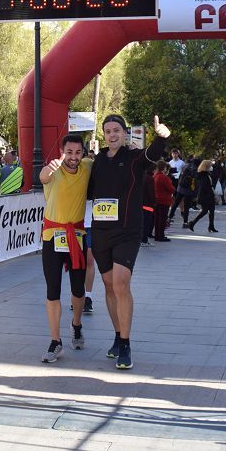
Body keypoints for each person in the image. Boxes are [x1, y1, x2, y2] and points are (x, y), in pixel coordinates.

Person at [89, 114, 170, 370]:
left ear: (125, 134)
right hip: (101, 231)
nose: (112, 135)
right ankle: (116, 334)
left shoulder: (134, 158)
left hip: (127, 231)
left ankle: (125, 343)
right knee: (108, 285)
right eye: (108, 131)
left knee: (121, 283)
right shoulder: (97, 161)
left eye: (116, 130)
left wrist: (162, 137)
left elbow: (153, 154)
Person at [39, 134, 92, 362]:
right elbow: (42, 177)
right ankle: (55, 341)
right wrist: (50, 168)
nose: (73, 157)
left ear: (83, 153)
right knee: (53, 289)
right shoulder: (53, 170)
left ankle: (76, 324)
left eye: (77, 152)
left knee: (78, 289)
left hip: (77, 236)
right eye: (69, 152)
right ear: (62, 152)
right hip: (52, 236)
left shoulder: (88, 167)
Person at [187, 159, 217, 233]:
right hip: (206, 196)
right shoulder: (203, 175)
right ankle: (192, 223)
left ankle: (211, 226)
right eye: (210, 165)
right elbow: (205, 187)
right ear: (206, 166)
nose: (211, 167)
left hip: (208, 195)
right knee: (205, 211)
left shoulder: (206, 174)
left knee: (212, 211)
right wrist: (212, 193)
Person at [153, 160, 174, 242]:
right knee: (162, 219)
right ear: (164, 168)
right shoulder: (163, 177)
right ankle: (160, 235)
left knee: (158, 219)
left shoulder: (155, 176)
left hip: (157, 199)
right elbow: (171, 189)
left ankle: (157, 235)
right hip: (164, 200)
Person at [140, 163, 156, 246]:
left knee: (142, 223)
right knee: (147, 223)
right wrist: (154, 202)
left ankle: (142, 239)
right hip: (148, 204)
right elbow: (151, 193)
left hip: (141, 203)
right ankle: (144, 240)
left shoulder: (142, 177)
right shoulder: (150, 179)